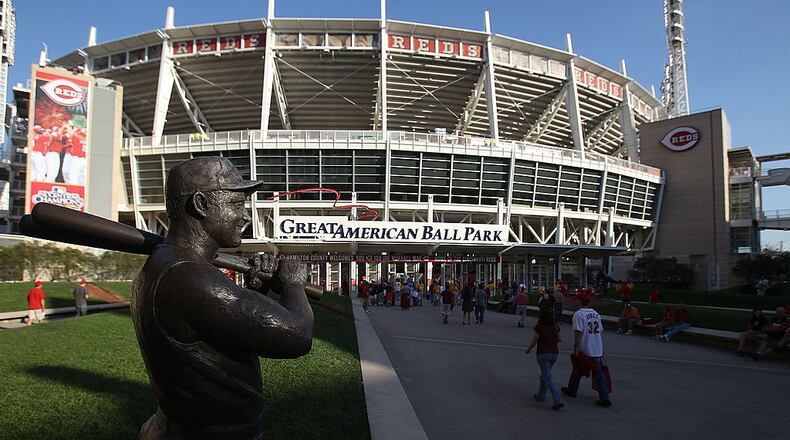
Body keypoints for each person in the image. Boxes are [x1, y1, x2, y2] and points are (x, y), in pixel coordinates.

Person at [131, 157, 314, 439]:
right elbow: (297, 336)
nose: (245, 216)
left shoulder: (166, 263)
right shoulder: (189, 275)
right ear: (201, 205)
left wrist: (254, 291)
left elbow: (225, 331)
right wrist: (293, 284)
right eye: (235, 204)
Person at [561, 294, 611, 408]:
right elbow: (599, 331)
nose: (575, 301)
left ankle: (604, 398)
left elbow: (578, 332)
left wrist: (576, 347)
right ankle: (572, 390)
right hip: (596, 347)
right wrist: (601, 349)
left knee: (587, 370)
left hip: (585, 348)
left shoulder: (578, 314)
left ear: (580, 301)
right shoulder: (595, 314)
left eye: (576, 299)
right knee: (585, 370)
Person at [525, 307, 564, 411]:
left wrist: (529, 349)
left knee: (547, 377)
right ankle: (541, 396)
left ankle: (558, 400)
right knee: (545, 375)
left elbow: (534, 340)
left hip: (543, 354)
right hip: (554, 354)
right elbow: (560, 339)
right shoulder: (555, 326)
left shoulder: (539, 327)